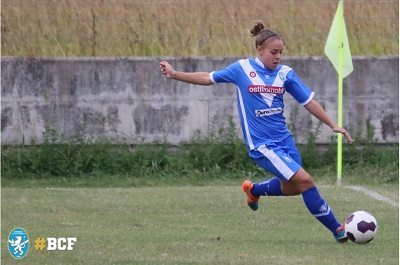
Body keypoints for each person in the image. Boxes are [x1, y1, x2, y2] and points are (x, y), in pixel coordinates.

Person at [159, 20, 353, 242]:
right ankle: (338, 230)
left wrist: (332, 124)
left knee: (294, 188)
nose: (278, 56)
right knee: (306, 181)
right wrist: (175, 74)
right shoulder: (242, 69)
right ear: (260, 50)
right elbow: (208, 78)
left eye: (281, 52)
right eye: (273, 52)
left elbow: (308, 101)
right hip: (262, 146)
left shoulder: (285, 74)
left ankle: (254, 190)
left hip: (285, 142)